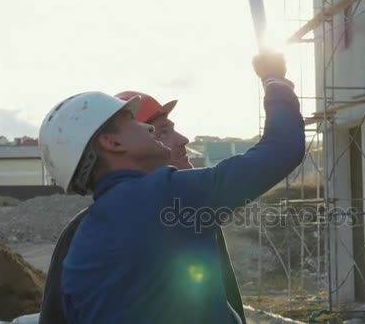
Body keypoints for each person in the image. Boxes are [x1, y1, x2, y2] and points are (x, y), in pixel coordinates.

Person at [38, 52, 304, 323]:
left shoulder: (79, 247)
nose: (149, 130)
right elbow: (282, 148)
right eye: (135, 122)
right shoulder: (167, 197)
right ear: (112, 143)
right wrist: (274, 79)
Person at [39, 91, 245, 323]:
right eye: (163, 132)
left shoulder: (193, 213)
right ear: (119, 145)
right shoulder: (82, 233)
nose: (182, 140)